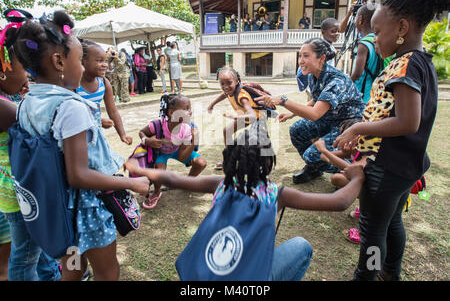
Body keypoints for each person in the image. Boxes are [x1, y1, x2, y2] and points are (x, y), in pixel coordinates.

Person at [12, 10, 149, 281]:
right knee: (107, 270)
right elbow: (79, 175)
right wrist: (132, 183)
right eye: (78, 60)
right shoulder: (69, 107)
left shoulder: (26, 102)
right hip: (88, 211)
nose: (82, 67)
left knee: (74, 267)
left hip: (59, 209)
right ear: (59, 61)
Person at [124, 129, 366, 281]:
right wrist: (358, 177)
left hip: (204, 275)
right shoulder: (277, 195)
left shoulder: (220, 184)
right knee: (302, 246)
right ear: (269, 165)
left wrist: (138, 168)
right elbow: (339, 202)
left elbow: (172, 178)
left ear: (230, 161)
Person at [333, 0, 449, 281]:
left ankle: (366, 276)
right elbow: (393, 115)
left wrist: (358, 126)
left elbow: (408, 122)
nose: (374, 38)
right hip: (406, 167)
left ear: (402, 28)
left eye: (378, 31)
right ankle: (390, 274)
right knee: (392, 223)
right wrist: (362, 133)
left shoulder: (403, 66)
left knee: (372, 231)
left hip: (386, 170)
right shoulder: (422, 62)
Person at [0, 8, 62, 282]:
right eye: (25, 68)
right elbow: (40, 130)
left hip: (17, 187)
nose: (29, 76)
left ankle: (48, 274)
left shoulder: (9, 101)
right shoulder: (6, 107)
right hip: (19, 191)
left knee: (33, 246)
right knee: (24, 255)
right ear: (4, 70)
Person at [255, 38, 365, 184]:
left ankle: (348, 171)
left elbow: (315, 114)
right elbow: (317, 99)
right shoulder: (314, 75)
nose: (300, 61)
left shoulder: (337, 80)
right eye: (300, 56)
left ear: (322, 58)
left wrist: (283, 101)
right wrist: (291, 114)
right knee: (297, 129)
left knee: (312, 154)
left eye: (306, 56)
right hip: (329, 119)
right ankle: (315, 168)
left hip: (346, 125)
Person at [138, 94, 206, 209]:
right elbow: (141, 132)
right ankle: (157, 191)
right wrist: (147, 140)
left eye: (190, 108)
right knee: (160, 172)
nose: (190, 112)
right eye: (185, 109)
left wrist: (194, 141)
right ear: (171, 113)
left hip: (178, 151)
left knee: (201, 163)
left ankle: (187, 183)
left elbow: (182, 157)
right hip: (162, 153)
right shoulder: (158, 125)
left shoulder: (187, 129)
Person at [207, 67, 272, 169]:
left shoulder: (242, 97)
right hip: (244, 117)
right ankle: (229, 158)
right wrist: (212, 104)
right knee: (227, 131)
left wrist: (236, 116)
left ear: (236, 81)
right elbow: (224, 95)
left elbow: (252, 115)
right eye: (222, 83)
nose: (225, 87)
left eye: (229, 83)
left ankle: (267, 164)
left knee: (262, 142)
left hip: (258, 117)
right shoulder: (229, 91)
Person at [77, 39, 132, 146]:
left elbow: (113, 111)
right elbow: (73, 116)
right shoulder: (74, 85)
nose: (105, 65)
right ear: (83, 61)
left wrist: (122, 135)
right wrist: (99, 121)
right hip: (77, 136)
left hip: (95, 135)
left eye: (105, 61)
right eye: (99, 61)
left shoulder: (103, 83)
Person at [350, 5, 381, 103]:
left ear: (360, 19)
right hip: (377, 92)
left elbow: (357, 74)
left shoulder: (364, 44)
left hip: (363, 94)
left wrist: (346, 83)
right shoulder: (380, 40)